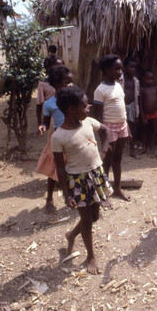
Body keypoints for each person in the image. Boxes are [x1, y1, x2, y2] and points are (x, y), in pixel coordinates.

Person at [52, 86, 111, 274]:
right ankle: (90, 256)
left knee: (94, 217)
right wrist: (66, 194)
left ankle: (71, 235)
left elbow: (107, 130)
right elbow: (60, 168)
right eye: (85, 106)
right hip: (78, 181)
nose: (89, 108)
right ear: (71, 109)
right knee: (86, 220)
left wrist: (103, 150)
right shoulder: (58, 136)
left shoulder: (89, 123)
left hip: (96, 175)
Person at [35, 66, 73, 213]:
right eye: (67, 82)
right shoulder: (49, 103)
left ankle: (72, 196)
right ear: (56, 83)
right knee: (55, 170)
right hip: (58, 140)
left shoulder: (73, 99)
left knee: (74, 168)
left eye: (71, 82)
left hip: (73, 139)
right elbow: (45, 121)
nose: (70, 85)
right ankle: (49, 199)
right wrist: (42, 126)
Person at [93, 54, 130, 201]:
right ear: (107, 70)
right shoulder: (100, 90)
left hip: (122, 126)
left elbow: (123, 109)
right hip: (108, 129)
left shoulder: (118, 86)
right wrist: (104, 139)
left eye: (121, 68)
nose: (120, 71)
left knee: (118, 159)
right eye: (117, 69)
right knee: (107, 162)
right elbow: (97, 117)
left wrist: (128, 128)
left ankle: (117, 189)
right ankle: (104, 193)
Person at [140, 70, 157, 160]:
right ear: (144, 79)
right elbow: (140, 104)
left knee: (156, 132)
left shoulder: (156, 89)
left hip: (155, 114)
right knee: (144, 131)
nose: (150, 81)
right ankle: (144, 147)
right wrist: (143, 116)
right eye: (148, 79)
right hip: (145, 114)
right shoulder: (142, 90)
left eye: (152, 79)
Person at [119, 57, 141, 159]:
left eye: (134, 67)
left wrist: (137, 112)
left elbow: (138, 97)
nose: (133, 69)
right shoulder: (120, 79)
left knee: (132, 129)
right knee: (119, 128)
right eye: (130, 67)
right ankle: (118, 150)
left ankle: (132, 150)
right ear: (125, 67)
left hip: (132, 106)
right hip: (121, 106)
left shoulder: (135, 81)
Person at [36, 55, 63, 128]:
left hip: (65, 117)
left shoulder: (65, 83)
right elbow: (39, 105)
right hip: (51, 119)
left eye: (61, 67)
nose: (60, 70)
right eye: (57, 67)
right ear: (48, 69)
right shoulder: (43, 85)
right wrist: (39, 123)